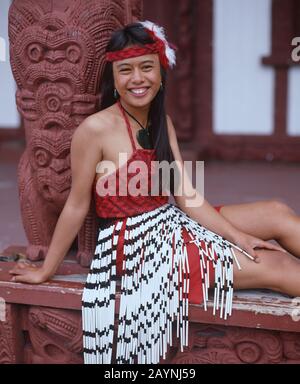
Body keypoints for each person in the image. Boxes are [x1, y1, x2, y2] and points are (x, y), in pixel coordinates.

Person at [9, 21, 300, 365]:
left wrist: (239, 236)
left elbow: (186, 195)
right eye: (125, 70)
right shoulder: (96, 129)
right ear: (114, 79)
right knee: (278, 266)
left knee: (276, 212)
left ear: (161, 73)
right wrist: (46, 271)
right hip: (136, 247)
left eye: (147, 67)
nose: (137, 78)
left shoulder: (162, 121)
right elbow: (76, 205)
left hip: (170, 221)